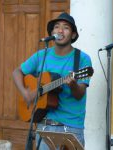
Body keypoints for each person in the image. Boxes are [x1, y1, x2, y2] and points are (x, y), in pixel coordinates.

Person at [13, 12, 93, 149]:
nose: (60, 30)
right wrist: (26, 93)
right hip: (44, 125)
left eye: (66, 27)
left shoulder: (82, 59)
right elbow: (17, 72)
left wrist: (73, 84)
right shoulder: (41, 55)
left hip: (71, 127)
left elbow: (79, 95)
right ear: (52, 32)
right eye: (56, 27)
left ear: (73, 35)